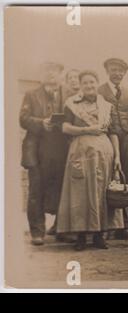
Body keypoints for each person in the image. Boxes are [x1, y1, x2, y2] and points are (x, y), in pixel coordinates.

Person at [56, 70, 125, 251]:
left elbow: (114, 132)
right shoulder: (72, 104)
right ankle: (80, 235)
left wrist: (117, 157)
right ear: (80, 85)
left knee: (101, 192)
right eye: (85, 83)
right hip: (80, 152)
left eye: (92, 82)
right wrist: (86, 130)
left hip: (104, 153)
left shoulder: (107, 105)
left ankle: (99, 235)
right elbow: (64, 127)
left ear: (97, 83)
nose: (89, 86)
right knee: (80, 193)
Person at [19, 62, 68, 246]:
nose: (51, 74)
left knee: (63, 190)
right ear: (41, 74)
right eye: (46, 70)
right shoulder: (31, 95)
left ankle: (62, 229)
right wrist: (41, 123)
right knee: (36, 191)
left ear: (60, 74)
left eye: (55, 70)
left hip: (62, 150)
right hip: (37, 150)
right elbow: (23, 119)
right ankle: (37, 232)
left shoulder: (68, 94)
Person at [98, 58, 128, 240]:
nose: (117, 73)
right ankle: (107, 225)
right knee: (109, 178)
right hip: (107, 137)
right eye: (113, 70)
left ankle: (125, 226)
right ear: (107, 70)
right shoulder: (100, 91)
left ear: (124, 73)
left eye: (120, 71)